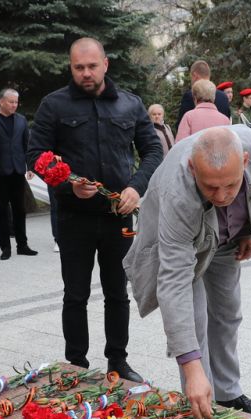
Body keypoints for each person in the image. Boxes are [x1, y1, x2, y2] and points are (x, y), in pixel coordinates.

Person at [27, 37, 163, 382]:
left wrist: (135, 187)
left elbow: (152, 152)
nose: (86, 73)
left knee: (117, 293)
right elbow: (35, 156)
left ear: (106, 64)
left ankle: (118, 361)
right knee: (75, 294)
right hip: (74, 218)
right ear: (71, 68)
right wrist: (67, 184)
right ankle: (76, 364)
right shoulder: (53, 105)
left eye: (91, 66)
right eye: (78, 68)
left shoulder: (130, 105)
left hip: (118, 216)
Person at [123, 126, 251, 419]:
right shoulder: (177, 192)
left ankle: (228, 394)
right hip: (188, 240)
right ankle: (201, 401)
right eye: (210, 187)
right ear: (193, 168)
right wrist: (191, 366)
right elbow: (174, 281)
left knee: (228, 313)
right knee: (195, 318)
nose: (222, 196)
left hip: (229, 239)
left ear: (244, 161)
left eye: (231, 185)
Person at [0, 88, 38, 260]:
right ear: (2, 101)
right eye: (11, 102)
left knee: (20, 209)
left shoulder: (21, 120)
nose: (14, 105)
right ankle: (5, 247)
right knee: (1, 210)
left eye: (16, 102)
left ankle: (22, 245)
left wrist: (30, 166)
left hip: (18, 170)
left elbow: (27, 144)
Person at [174, 60, 231, 129]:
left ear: (195, 75)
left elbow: (181, 126)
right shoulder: (224, 97)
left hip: (199, 139)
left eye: (191, 77)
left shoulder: (191, 95)